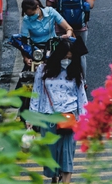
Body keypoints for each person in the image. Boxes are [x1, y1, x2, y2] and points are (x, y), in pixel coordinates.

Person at [29, 37, 88, 183]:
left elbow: (81, 96)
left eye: (70, 57)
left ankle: (66, 179)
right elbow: (36, 93)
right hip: (48, 116)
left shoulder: (75, 71)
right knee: (51, 153)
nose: (66, 61)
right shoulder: (43, 70)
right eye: (64, 57)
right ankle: (55, 178)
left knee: (67, 155)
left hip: (69, 116)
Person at [20, 0, 74, 67]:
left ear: (38, 7)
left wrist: (68, 35)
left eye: (32, 14)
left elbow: (68, 28)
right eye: (28, 15)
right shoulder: (26, 20)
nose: (31, 17)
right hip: (37, 49)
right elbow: (23, 41)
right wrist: (26, 58)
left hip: (53, 46)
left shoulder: (51, 12)